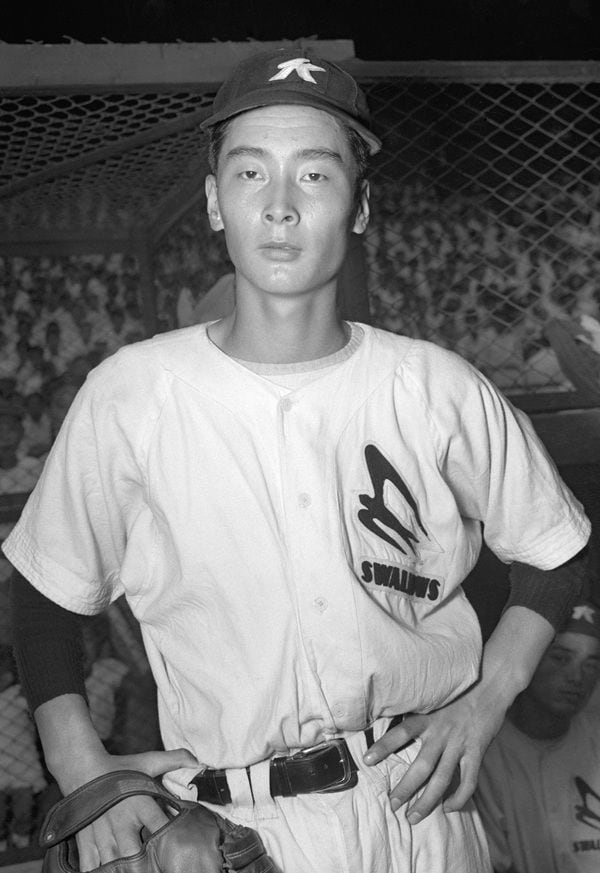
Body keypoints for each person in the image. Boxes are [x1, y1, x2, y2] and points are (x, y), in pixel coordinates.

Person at [3, 47, 592, 873]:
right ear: (215, 202)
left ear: (360, 205)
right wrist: (83, 769)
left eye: (314, 174)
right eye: (251, 173)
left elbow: (556, 551)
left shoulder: (436, 386)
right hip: (235, 824)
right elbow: (44, 593)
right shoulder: (132, 394)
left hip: (418, 809)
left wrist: (489, 699)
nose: (280, 206)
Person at [475, 601, 600, 873]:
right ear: (528, 659)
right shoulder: (484, 750)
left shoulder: (595, 736)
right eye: (560, 658)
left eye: (591, 664)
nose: (577, 677)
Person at [0, 644, 47, 852]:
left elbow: (33, 707)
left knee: (23, 809)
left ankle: (21, 839)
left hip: (21, 765)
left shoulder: (16, 696)